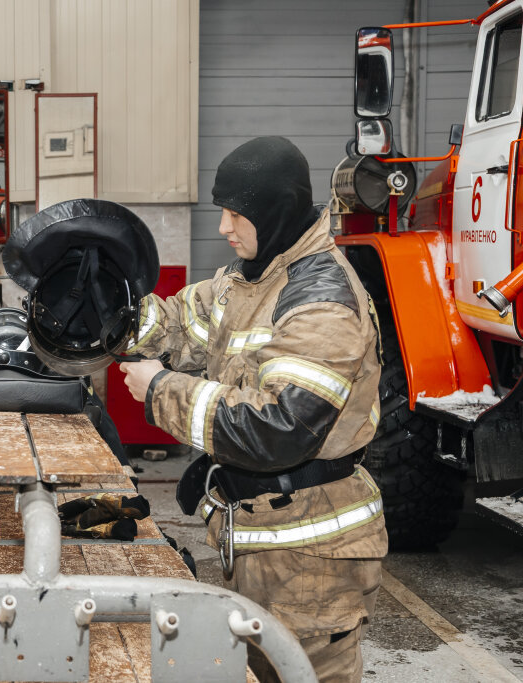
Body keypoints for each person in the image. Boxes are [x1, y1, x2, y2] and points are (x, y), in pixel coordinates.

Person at [120, 136, 387, 683]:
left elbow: (278, 428)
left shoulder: (322, 300)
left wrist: (159, 389)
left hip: (313, 561)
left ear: (276, 213)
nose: (224, 227)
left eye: (237, 214)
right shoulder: (248, 280)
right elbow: (176, 324)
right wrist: (106, 314)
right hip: (263, 540)